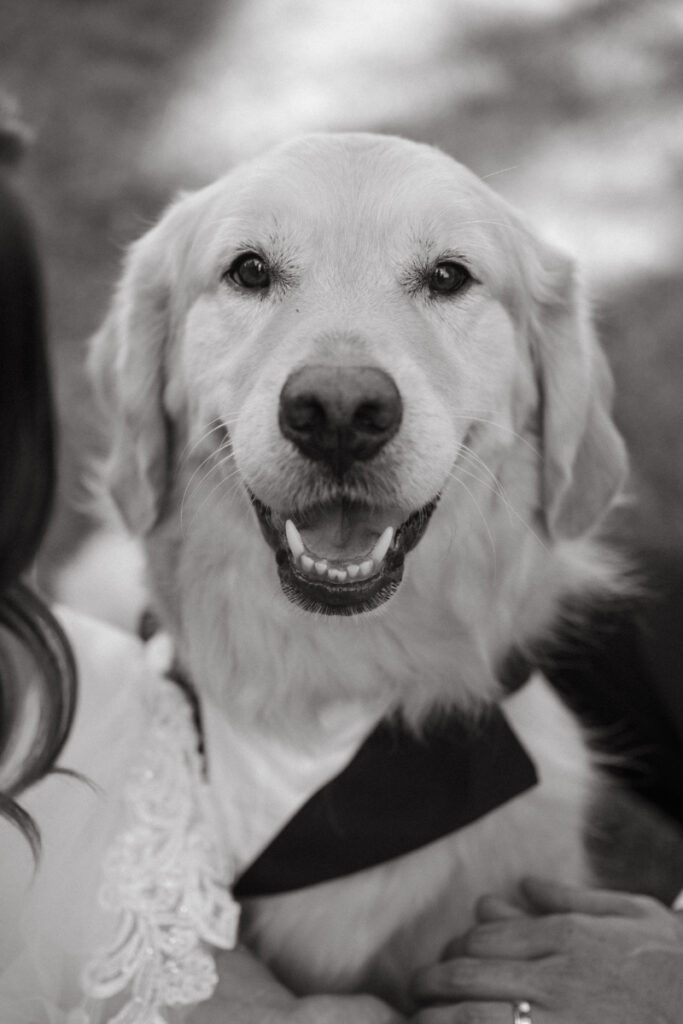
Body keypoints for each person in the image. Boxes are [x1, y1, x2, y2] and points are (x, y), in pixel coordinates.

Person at [1, 113, 682, 1023]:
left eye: (446, 278)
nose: (340, 394)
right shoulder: (81, 727)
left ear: (544, 379)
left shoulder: (528, 786)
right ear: (151, 377)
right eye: (253, 273)